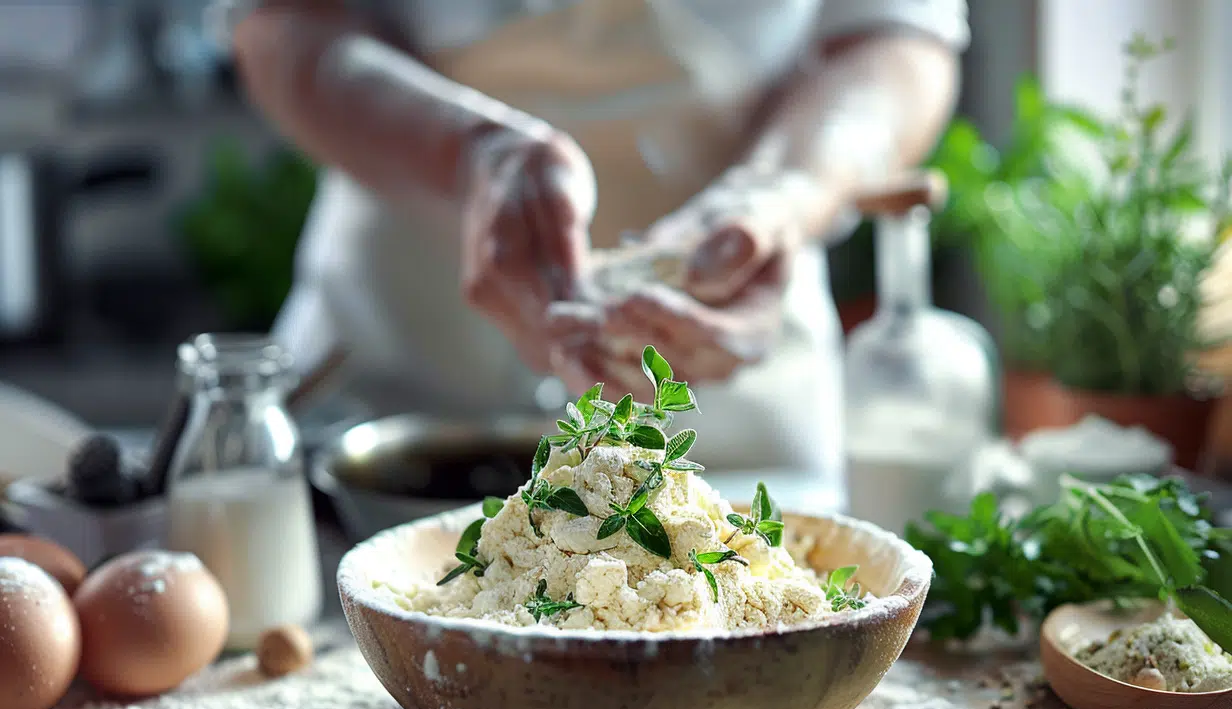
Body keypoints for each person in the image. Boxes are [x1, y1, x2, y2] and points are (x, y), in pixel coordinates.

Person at [214, 0, 965, 496]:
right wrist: (468, 153)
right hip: (393, 412)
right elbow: (283, 26)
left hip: (737, 429)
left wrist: (784, 192)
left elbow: (895, 41)